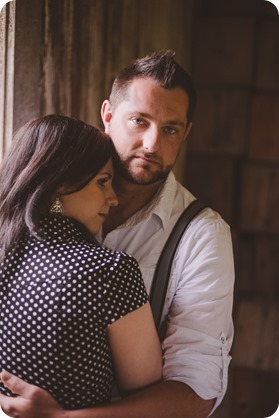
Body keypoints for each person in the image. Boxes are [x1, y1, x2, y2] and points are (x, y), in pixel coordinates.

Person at [0, 50, 234, 418]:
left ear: (186, 133)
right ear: (108, 115)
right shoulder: (39, 202)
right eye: (139, 121)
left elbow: (197, 391)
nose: (153, 143)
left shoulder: (202, 235)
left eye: (170, 128)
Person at [0, 115, 162, 412]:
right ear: (60, 184)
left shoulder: (6, 256)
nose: (112, 198)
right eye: (103, 182)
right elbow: (149, 403)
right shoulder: (109, 272)